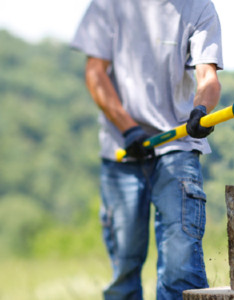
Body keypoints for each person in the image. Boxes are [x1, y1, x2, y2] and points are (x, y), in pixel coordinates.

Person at [71, 0, 223, 299]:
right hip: (122, 149)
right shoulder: (108, 5)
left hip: (177, 146)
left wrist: (201, 109)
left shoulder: (199, 7)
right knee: (125, 272)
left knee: (182, 270)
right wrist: (128, 127)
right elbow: (95, 73)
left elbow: (208, 77)